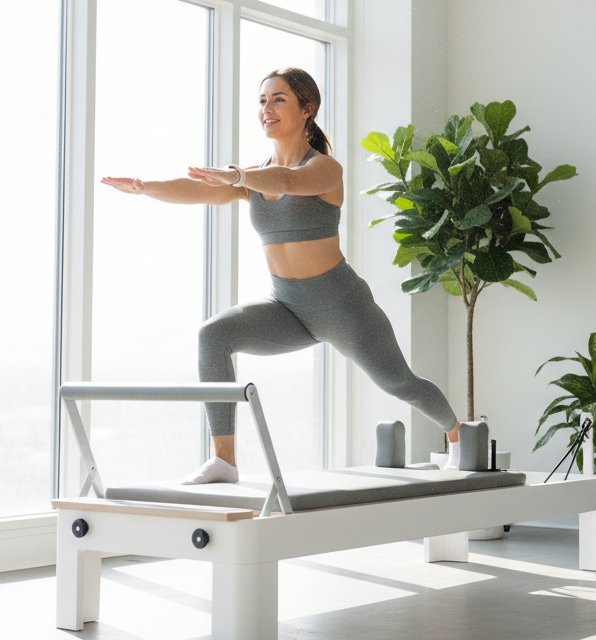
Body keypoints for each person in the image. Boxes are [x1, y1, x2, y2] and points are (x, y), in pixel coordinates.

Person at [101, 67, 461, 482]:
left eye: (278, 99)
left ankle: (456, 433)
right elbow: (198, 190)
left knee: (401, 383)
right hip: (287, 307)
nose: (266, 109)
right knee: (213, 335)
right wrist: (146, 186)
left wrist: (238, 176)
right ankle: (224, 461)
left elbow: (290, 181)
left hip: (342, 306)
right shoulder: (253, 177)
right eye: (261, 101)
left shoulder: (326, 169)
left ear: (307, 109)